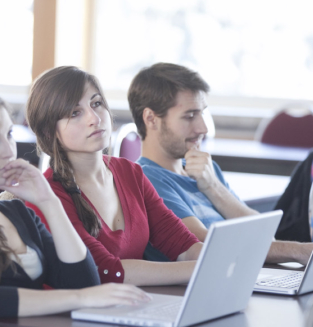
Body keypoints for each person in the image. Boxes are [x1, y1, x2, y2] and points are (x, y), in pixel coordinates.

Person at [0, 89, 150, 327]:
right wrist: (79, 298)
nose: (9, 150)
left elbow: (84, 282)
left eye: (9, 134)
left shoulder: (16, 212)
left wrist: (49, 202)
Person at [26, 66, 202, 286]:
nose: (94, 118)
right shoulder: (47, 195)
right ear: (48, 132)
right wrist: (201, 268)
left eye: (96, 103)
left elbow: (181, 243)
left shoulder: (131, 172)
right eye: (74, 113)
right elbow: (104, 271)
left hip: (130, 307)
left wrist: (220, 260)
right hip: (70, 316)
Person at [127, 62, 313, 265]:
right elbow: (204, 248)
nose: (203, 128)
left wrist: (214, 187)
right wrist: (299, 251)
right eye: (189, 116)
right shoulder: (145, 180)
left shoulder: (207, 171)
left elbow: (265, 236)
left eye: (202, 113)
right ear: (151, 119)